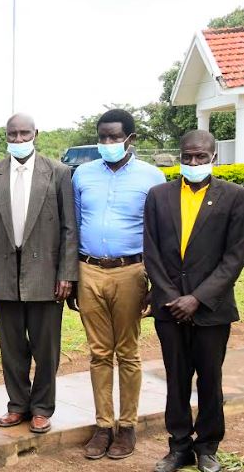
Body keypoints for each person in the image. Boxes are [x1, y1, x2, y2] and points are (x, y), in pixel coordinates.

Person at [0, 113, 78, 433]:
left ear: (36, 134)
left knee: (46, 349)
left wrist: (67, 274)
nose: (18, 140)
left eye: (24, 134)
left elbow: (69, 228)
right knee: (12, 348)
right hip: (3, 274)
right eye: (12, 134)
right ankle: (17, 404)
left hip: (46, 275)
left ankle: (42, 407)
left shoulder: (58, 173)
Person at [144, 130, 244, 472]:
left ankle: (207, 447)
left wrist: (197, 298)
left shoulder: (234, 196)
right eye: (187, 156)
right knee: (176, 378)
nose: (193, 162)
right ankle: (179, 447)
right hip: (169, 307)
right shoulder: (159, 196)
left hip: (211, 309)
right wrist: (172, 297)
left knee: (210, 380)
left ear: (214, 156)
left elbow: (234, 256)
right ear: (180, 155)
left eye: (201, 156)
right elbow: (151, 251)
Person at [72, 108, 166, 460]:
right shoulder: (82, 175)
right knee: (98, 352)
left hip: (131, 272)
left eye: (114, 137)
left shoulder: (151, 177)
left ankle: (126, 427)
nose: (108, 143)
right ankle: (102, 425)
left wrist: (156, 283)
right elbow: (75, 227)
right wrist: (71, 276)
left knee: (127, 352)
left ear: (131, 139)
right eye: (102, 137)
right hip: (89, 270)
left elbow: (160, 233)